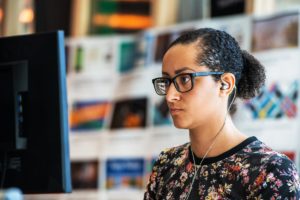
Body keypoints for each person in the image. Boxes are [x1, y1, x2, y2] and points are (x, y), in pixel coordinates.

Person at [144, 28, 300, 199]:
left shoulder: (270, 171)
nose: (170, 96)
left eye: (184, 79)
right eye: (167, 81)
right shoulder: (167, 162)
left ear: (225, 84)